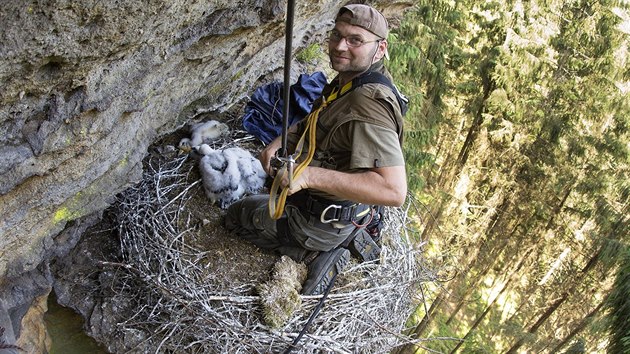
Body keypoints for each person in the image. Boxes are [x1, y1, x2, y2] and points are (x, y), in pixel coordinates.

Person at [225, 4, 407, 295]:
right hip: (335, 206)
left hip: (320, 221)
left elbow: (393, 190)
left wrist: (308, 177)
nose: (339, 46)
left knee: (236, 216)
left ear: (381, 48)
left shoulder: (369, 103)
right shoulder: (353, 80)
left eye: (355, 40)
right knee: (266, 192)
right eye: (337, 35)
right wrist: (281, 141)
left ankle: (316, 255)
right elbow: (318, 118)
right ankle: (340, 237)